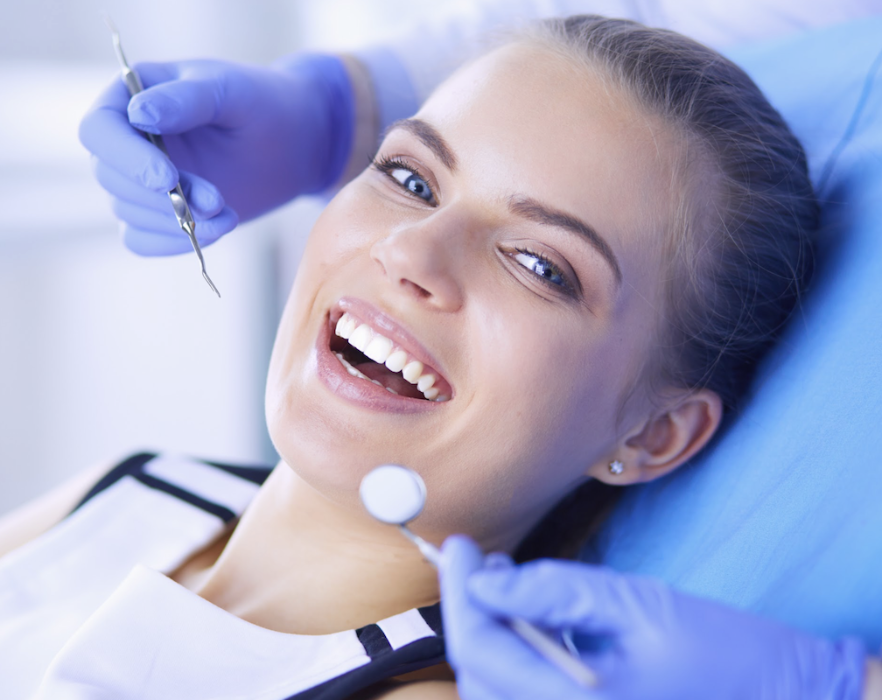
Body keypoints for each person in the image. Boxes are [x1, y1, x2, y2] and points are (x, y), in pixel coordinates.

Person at [2, 10, 873, 700]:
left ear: (653, 435)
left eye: (541, 266)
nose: (412, 254)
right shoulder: (134, 488)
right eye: (411, 179)